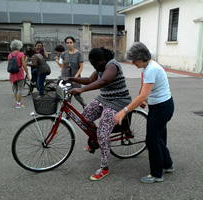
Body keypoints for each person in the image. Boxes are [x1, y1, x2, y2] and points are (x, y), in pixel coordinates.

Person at [63, 47, 132, 181]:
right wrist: (71, 78)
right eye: (93, 65)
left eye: (96, 64)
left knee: (102, 133)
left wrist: (81, 90)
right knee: (84, 117)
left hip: (118, 101)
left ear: (102, 60)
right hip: (104, 98)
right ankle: (97, 140)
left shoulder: (112, 65)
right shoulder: (100, 67)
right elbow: (90, 80)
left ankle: (104, 167)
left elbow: (104, 81)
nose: (95, 67)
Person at [114, 42, 175, 184]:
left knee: (152, 140)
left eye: (134, 60)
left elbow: (141, 95)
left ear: (141, 58)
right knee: (157, 137)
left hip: (162, 107)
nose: (133, 63)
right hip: (158, 106)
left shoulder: (151, 69)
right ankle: (167, 164)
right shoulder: (148, 67)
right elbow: (144, 87)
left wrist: (124, 112)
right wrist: (145, 98)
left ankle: (157, 174)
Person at [61, 36, 86, 108]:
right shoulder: (64, 54)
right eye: (67, 43)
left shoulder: (79, 54)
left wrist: (75, 78)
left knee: (77, 95)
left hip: (75, 76)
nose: (69, 44)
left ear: (74, 43)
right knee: (67, 96)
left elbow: (81, 67)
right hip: (66, 77)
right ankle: (68, 113)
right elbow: (63, 67)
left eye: (70, 43)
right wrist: (62, 77)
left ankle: (85, 106)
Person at [8, 39, 30, 109]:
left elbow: (9, 65)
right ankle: (18, 104)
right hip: (19, 73)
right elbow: (24, 65)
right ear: (19, 46)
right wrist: (27, 73)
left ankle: (17, 102)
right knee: (20, 88)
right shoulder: (21, 54)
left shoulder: (10, 55)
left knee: (15, 89)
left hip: (12, 73)